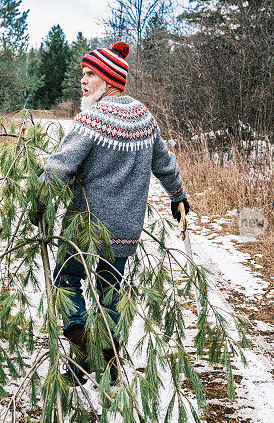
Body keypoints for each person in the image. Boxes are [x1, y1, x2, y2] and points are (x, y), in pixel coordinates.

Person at [33, 41, 190, 385]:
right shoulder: (144, 117)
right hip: (124, 233)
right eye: (83, 74)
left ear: (109, 79)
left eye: (89, 74)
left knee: (65, 281)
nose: (83, 81)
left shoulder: (92, 118)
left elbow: (60, 165)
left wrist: (40, 199)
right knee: (109, 296)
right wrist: (178, 197)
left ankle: (85, 342)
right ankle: (107, 361)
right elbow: (163, 163)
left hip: (85, 227)